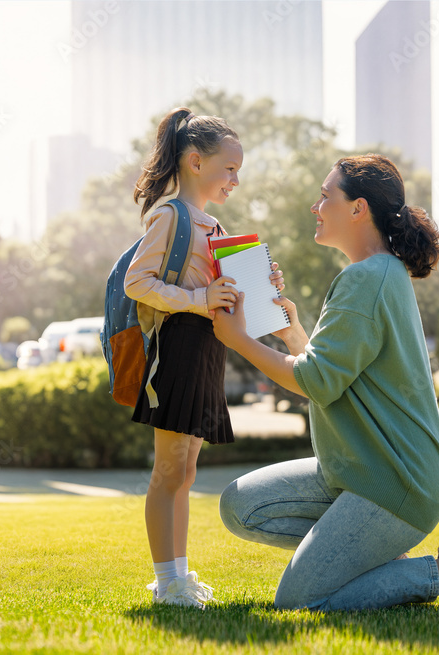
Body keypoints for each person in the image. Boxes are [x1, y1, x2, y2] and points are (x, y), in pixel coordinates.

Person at [212, 154, 439, 611]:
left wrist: (238, 340)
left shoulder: (366, 278)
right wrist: (292, 331)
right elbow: (335, 369)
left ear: (358, 209)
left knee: (302, 600)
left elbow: (315, 380)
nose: (316, 206)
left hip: (394, 481)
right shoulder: (377, 272)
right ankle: (379, 560)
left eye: (325, 196)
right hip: (352, 471)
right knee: (241, 505)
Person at [124, 107, 286, 608]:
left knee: (187, 469)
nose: (235, 179)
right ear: (195, 161)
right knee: (169, 467)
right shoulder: (171, 216)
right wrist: (199, 299)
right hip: (179, 347)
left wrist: (263, 287)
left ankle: (179, 576)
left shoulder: (215, 225)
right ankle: (166, 582)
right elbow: (138, 281)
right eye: (230, 169)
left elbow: (224, 293)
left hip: (209, 348)